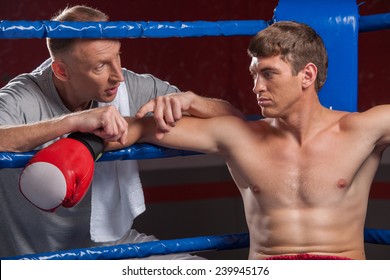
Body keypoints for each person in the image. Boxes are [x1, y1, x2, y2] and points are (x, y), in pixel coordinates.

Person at [107, 21, 390, 260]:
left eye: (268, 74)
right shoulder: (238, 136)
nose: (256, 87)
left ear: (307, 75)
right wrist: (79, 143)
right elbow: (141, 129)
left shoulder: (362, 129)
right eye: (254, 74)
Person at [0, 5, 241, 258]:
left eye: (118, 56)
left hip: (111, 247)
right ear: (61, 70)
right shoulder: (23, 95)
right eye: (100, 66)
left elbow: (234, 118)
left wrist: (192, 101)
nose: (118, 76)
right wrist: (73, 122)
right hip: (31, 258)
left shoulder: (128, 87)